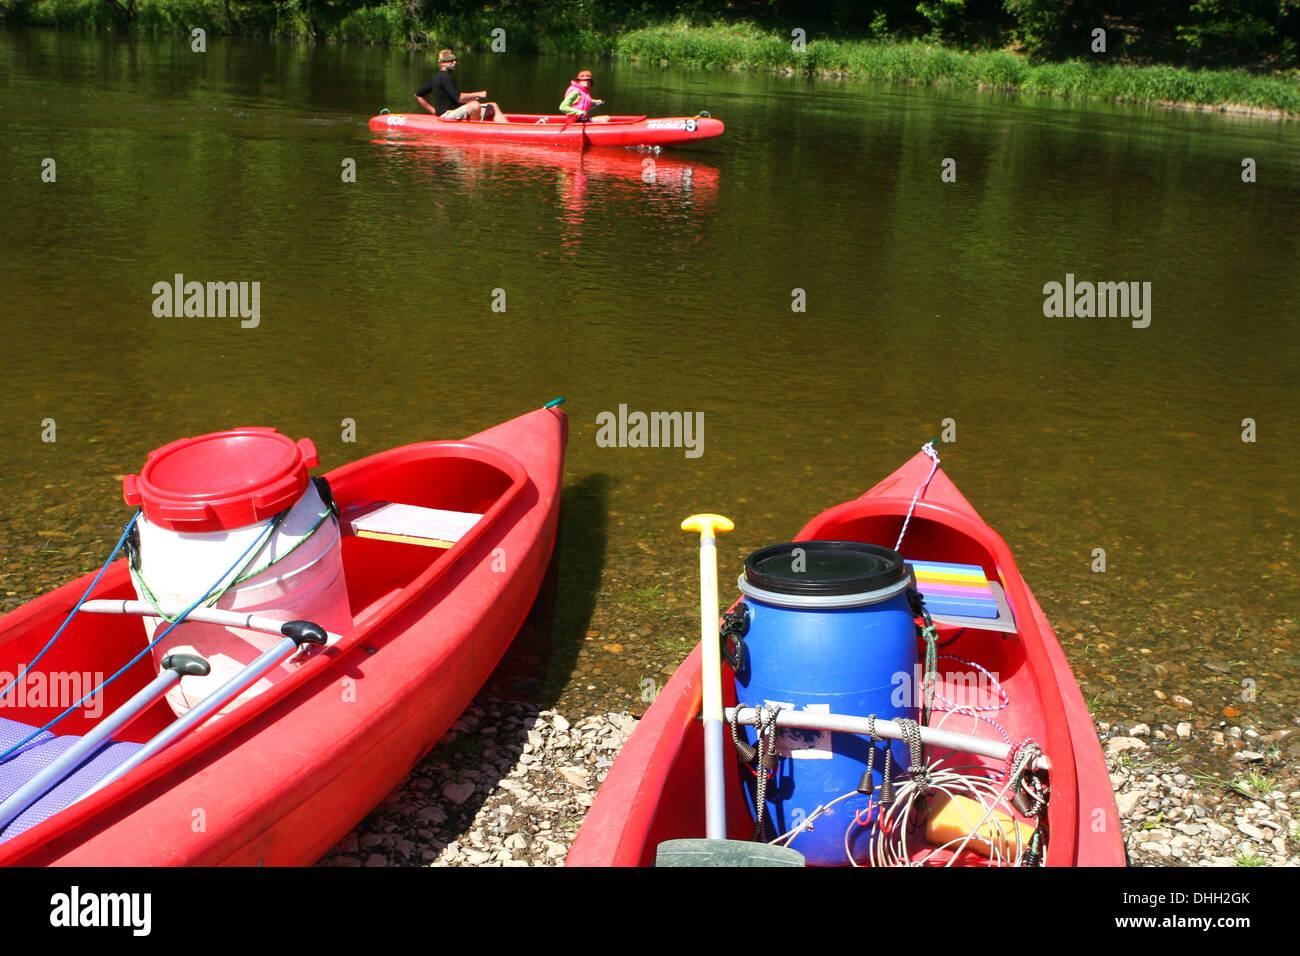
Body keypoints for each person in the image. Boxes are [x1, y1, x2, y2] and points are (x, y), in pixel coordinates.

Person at [415, 49, 509, 123]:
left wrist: (435, 112)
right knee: (474, 106)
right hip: (447, 115)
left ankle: (508, 129)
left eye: (455, 60)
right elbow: (458, 98)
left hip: (453, 112)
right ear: (442, 63)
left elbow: (418, 95)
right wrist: (478, 94)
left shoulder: (438, 77)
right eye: (450, 61)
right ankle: (474, 132)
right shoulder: (445, 77)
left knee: (493, 106)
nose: (454, 62)